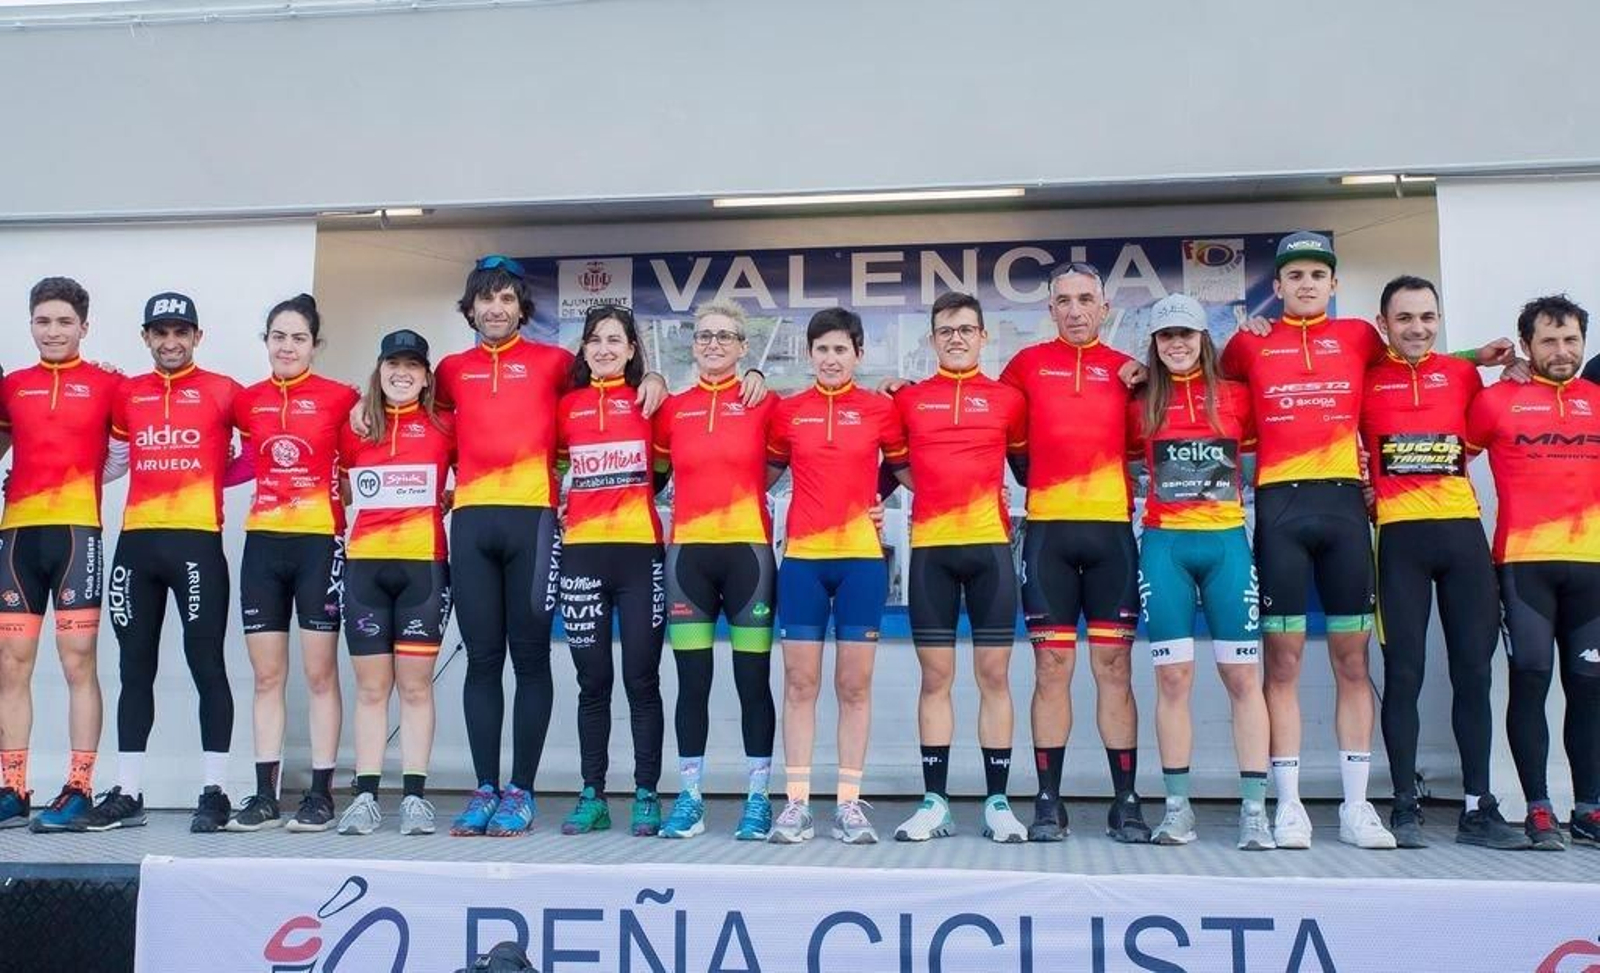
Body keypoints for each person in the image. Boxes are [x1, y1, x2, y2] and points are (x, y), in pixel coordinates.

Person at [1359, 276, 1528, 850]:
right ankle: (1404, 806)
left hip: (1462, 537)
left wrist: (1496, 365)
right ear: (1383, 324)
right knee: (1404, 676)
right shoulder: (1363, 376)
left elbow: (1471, 380)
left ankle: (1479, 808)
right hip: (1398, 540)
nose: (1418, 328)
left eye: (1428, 317)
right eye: (1404, 318)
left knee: (1475, 675)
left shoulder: (1461, 374)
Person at [69, 292, 246, 833]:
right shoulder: (126, 393)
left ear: (197, 337)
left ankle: (214, 791)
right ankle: (129, 792)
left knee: (206, 664)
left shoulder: (224, 391)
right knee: (133, 669)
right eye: (160, 332)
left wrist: (218, 474)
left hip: (197, 544)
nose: (171, 342)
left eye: (181, 332)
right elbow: (115, 461)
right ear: (146, 337)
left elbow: (269, 447)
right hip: (138, 546)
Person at [999, 262, 1149, 843]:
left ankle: (1126, 801)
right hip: (1048, 537)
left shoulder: (1128, 372)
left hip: (1111, 534)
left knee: (1114, 668)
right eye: (1063, 300)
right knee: (1051, 667)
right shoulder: (1026, 366)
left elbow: (1149, 445)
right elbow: (1001, 436)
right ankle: (1047, 800)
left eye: (1086, 299)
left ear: (1105, 306)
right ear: (1051, 309)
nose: (1075, 310)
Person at [1128, 294, 1273, 850]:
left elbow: (1262, 456)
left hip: (1227, 547)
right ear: (1155, 344)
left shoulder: (1237, 397)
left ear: (1203, 338)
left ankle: (1255, 811)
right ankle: (1177, 808)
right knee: (1173, 679)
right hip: (1165, 547)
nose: (1178, 345)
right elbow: (1121, 460)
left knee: (1242, 679)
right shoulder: (1138, 402)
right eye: (1167, 337)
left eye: (1186, 334)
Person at [887, 292, 1030, 844]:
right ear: (931, 339)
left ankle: (997, 802)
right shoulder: (909, 400)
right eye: (945, 330)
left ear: (982, 337)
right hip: (931, 553)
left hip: (990, 549)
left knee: (994, 677)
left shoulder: (1007, 400)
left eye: (966, 329)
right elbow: (889, 466)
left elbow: (1028, 470)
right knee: (936, 679)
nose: (956, 338)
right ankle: (935, 802)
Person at [767, 307, 909, 845]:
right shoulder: (787, 411)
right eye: (821, 349)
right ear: (809, 354)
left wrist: (876, 501)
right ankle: (797, 804)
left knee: (854, 686)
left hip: (860, 562)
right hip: (803, 560)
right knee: (800, 685)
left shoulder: (879, 410)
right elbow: (761, 472)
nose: (831, 358)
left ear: (858, 354)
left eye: (841, 349)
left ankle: (849, 804)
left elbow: (904, 470)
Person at [1465, 294, 1600, 851]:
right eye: (1548, 340)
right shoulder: (1496, 401)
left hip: (1593, 568)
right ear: (1526, 346)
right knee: (1532, 682)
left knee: (1590, 690)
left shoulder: (1598, 397)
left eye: (1571, 340)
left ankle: (1589, 808)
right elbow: (1443, 464)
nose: (1562, 351)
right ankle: (1538, 808)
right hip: (1524, 566)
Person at [226, 294, 359, 832]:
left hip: (318, 545)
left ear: (315, 344)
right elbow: (229, 459)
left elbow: (358, 472)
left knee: (320, 674)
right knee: (266, 677)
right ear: (266, 341)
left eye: (298, 337)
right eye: (278, 336)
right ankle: (263, 795)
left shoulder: (339, 398)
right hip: (262, 546)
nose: (287, 346)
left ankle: (321, 794)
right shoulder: (245, 401)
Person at [654, 301, 779, 841]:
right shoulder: (671, 408)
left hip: (748, 556)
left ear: (743, 346)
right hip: (689, 560)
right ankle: (690, 797)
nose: (712, 344)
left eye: (725, 336)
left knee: (753, 682)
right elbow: (649, 478)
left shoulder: (765, 402)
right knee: (692, 684)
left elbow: (798, 461)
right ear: (693, 343)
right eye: (704, 336)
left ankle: (758, 797)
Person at [0, 277, 121, 832]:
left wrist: (87, 483)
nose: (53, 331)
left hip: (77, 535)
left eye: (64, 322)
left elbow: (129, 450)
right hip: (19, 536)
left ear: (84, 327)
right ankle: (13, 786)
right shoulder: (12, 386)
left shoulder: (107, 384)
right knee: (10, 665)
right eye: (43, 321)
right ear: (30, 324)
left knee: (77, 661)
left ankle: (78, 787)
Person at [334, 330, 455, 836]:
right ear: (378, 369)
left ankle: (414, 798)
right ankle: (364, 796)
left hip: (423, 568)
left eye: (412, 365)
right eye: (392, 364)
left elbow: (469, 475)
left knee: (415, 687)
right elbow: (340, 486)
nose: (401, 373)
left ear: (426, 375)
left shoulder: (447, 425)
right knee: (370, 689)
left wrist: (446, 498)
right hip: (365, 567)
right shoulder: (354, 425)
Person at [554, 306, 667, 837]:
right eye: (594, 339)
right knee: (591, 681)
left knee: (641, 679)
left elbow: (665, 468)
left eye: (614, 340)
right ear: (583, 348)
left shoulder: (650, 401)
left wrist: (659, 381)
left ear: (630, 350)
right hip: (581, 554)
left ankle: (647, 793)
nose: (603, 348)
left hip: (638, 554)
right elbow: (551, 466)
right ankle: (592, 794)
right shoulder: (567, 407)